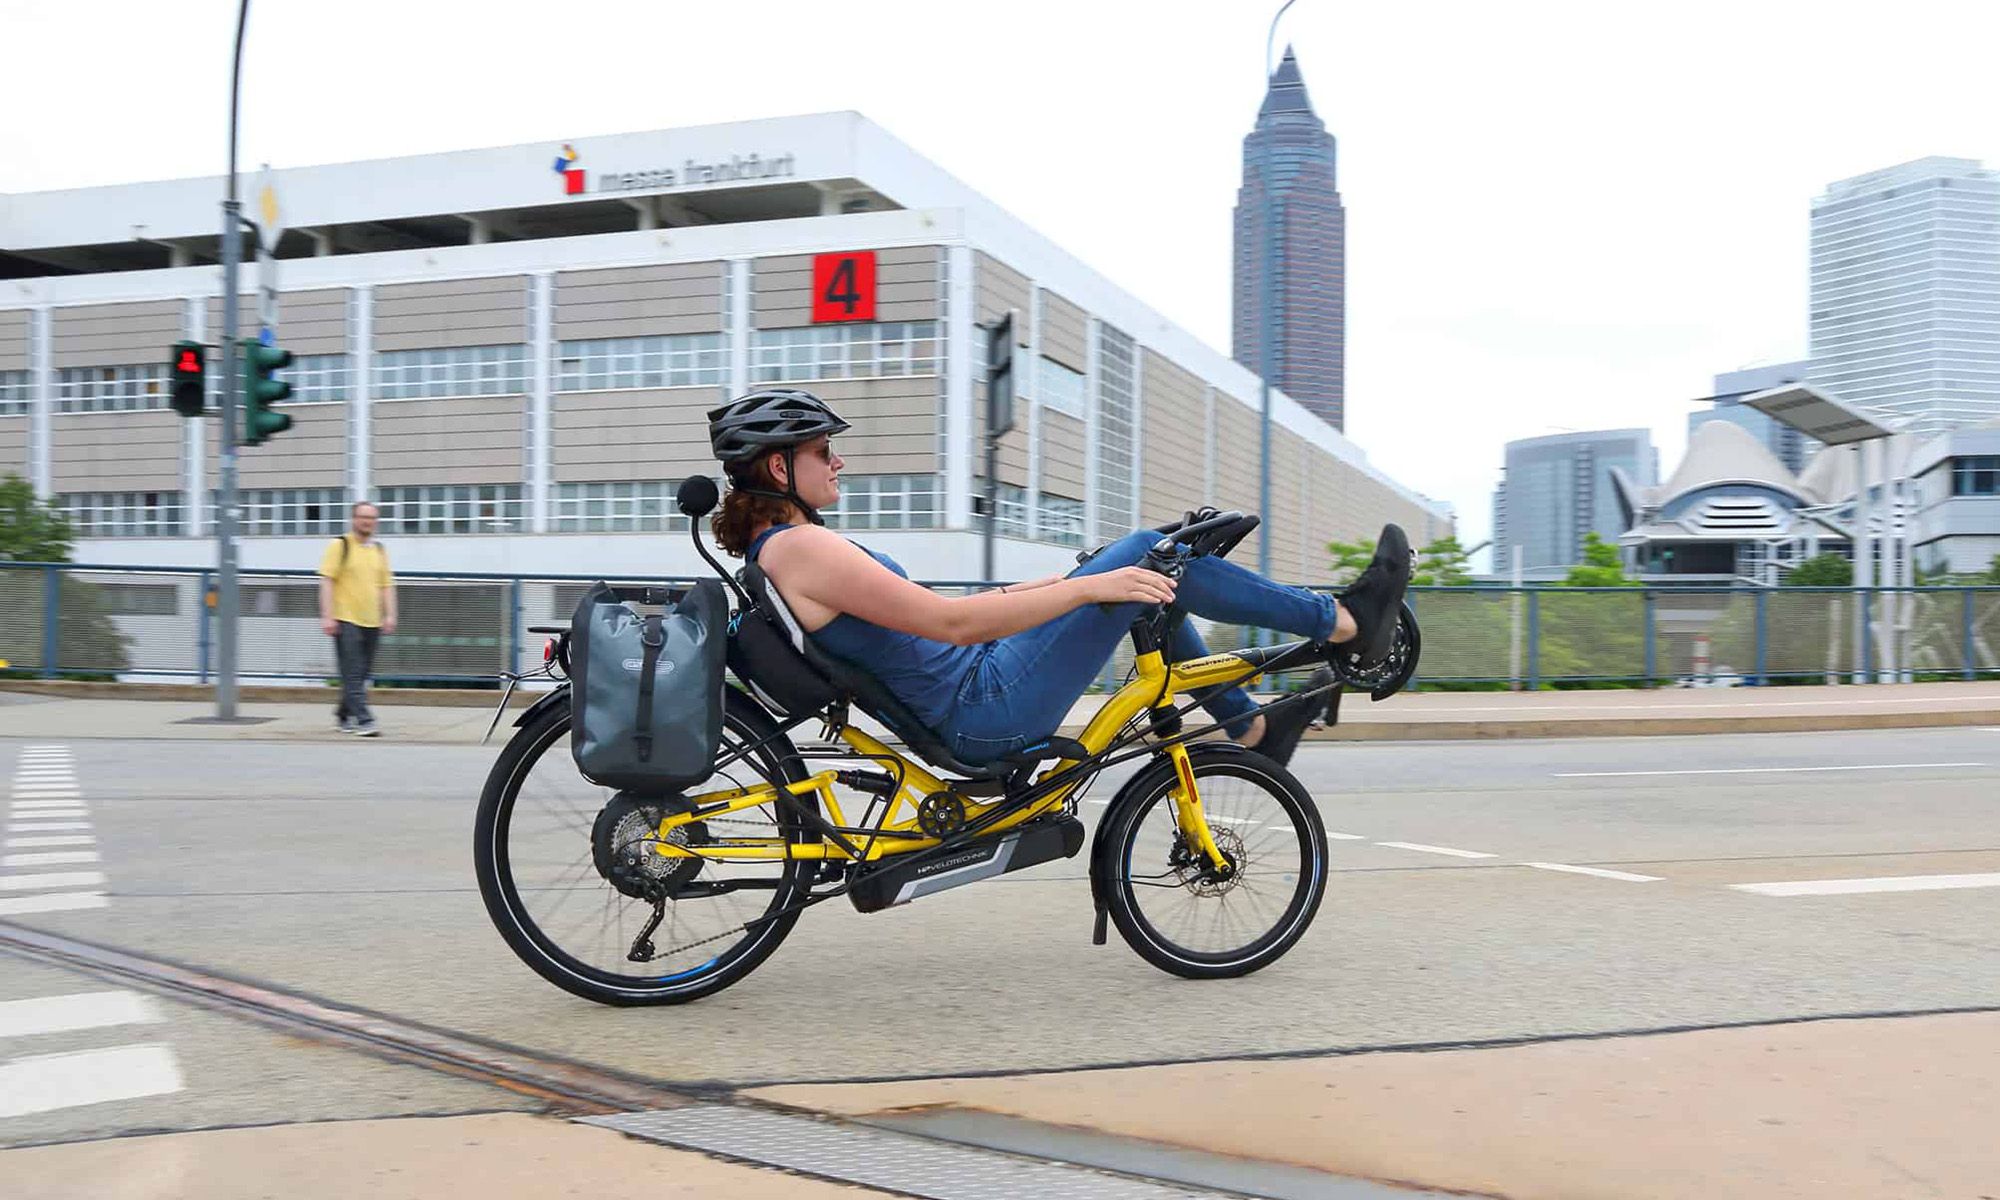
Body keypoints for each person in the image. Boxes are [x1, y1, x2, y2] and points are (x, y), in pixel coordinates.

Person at [706, 389, 1411, 768]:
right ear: (779, 468)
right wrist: (1085, 589)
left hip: (978, 684)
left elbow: (941, 613)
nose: (838, 463)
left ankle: (1249, 728)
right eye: (824, 452)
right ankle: (1346, 624)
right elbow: (950, 625)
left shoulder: (788, 550)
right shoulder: (800, 549)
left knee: (1145, 571)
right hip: (983, 712)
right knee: (1142, 552)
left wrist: (1057, 583)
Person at [317, 502, 397, 736]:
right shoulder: (339, 545)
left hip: (372, 619)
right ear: (354, 519)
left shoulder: (379, 550)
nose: (367, 522)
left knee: (362, 673)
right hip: (345, 618)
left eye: (371, 518)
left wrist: (390, 614)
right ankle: (364, 720)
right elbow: (327, 581)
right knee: (352, 671)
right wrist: (327, 616)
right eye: (363, 517)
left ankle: (343, 713)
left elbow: (386, 585)